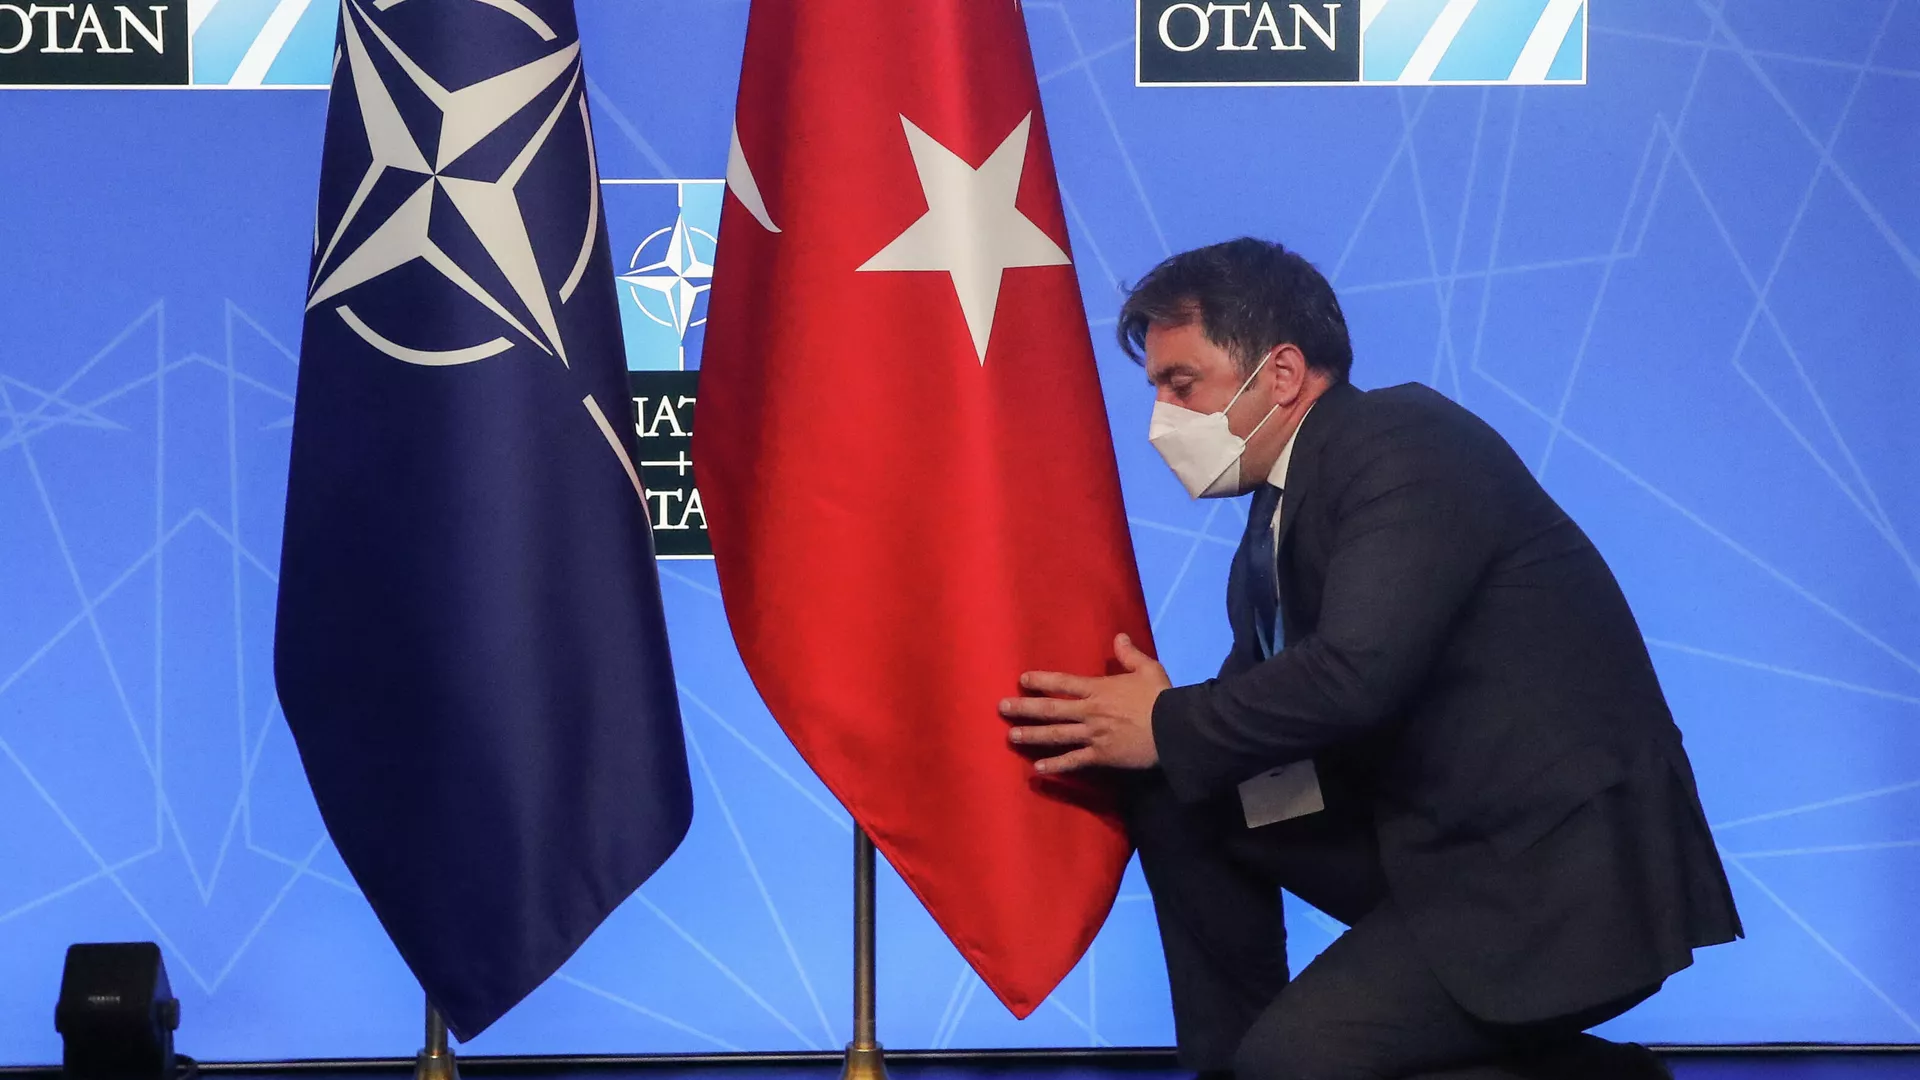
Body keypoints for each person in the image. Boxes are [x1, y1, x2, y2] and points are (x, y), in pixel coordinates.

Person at [998, 238, 1742, 1080]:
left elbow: (1357, 674)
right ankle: (1232, 1068)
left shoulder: (1403, 443)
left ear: (1281, 374)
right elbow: (1267, 708)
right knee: (1177, 789)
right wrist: (1156, 730)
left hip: (1552, 872)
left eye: (1182, 384)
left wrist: (1167, 721)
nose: (1161, 420)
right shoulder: (1282, 505)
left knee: (1296, 1065)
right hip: (1431, 840)